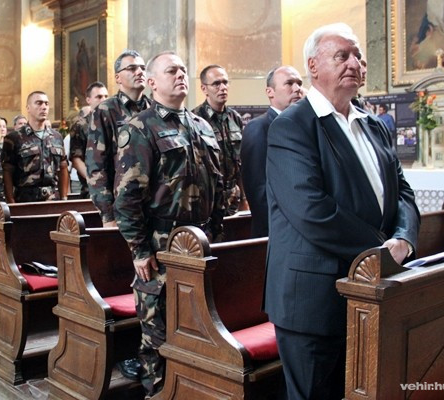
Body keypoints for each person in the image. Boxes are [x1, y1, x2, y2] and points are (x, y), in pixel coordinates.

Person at [264, 23, 420, 400]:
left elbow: (403, 191)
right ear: (313, 66)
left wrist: (404, 238)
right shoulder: (292, 126)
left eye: (358, 56)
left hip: (369, 289)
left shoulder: (373, 125)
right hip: (314, 299)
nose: (355, 63)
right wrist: (382, 250)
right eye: (342, 55)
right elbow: (311, 210)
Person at [113, 51, 224, 398]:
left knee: (196, 328)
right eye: (171, 71)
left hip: (200, 243)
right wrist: (139, 249)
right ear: (152, 82)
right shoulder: (139, 128)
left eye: (183, 70)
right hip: (160, 246)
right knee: (157, 334)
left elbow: (219, 183)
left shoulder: (202, 125)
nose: (180, 75)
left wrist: (215, 232)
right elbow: (127, 197)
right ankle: (156, 392)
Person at [86, 49, 151, 227]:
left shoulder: (154, 109)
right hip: (123, 208)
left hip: (155, 207)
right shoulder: (105, 111)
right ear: (117, 78)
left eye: (142, 68)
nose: (139, 72)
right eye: (132, 68)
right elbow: (96, 166)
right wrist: (108, 216)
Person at [241, 65, 303, 238]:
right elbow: (258, 191)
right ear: (270, 92)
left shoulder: (303, 126)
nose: (297, 89)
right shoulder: (258, 128)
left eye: (299, 83)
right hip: (276, 233)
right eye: (289, 83)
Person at [193, 65, 246, 215]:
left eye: (225, 82)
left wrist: (244, 198)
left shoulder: (234, 117)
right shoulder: (195, 119)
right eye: (216, 84)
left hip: (234, 197)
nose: (222, 88)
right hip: (208, 199)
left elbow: (241, 162)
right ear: (204, 89)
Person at [1, 91, 68, 203]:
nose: (44, 107)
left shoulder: (56, 137)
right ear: (28, 108)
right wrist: (11, 202)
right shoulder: (14, 138)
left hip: (52, 199)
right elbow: (7, 172)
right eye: (39, 103)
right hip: (25, 200)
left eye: (46, 103)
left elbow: (63, 168)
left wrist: (64, 198)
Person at [69, 81, 109, 198]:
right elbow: (76, 159)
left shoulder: (113, 122)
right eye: (99, 97)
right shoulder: (81, 124)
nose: (104, 100)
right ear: (88, 100)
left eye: (106, 96)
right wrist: (93, 180)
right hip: (92, 189)